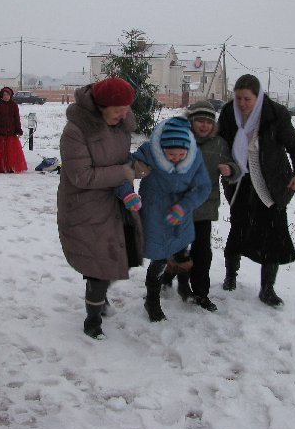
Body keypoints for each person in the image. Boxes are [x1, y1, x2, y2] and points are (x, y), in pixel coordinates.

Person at [57, 77, 144, 339]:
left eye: (127, 109)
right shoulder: (76, 131)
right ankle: (92, 320)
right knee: (99, 264)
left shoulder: (121, 125)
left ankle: (99, 295)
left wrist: (137, 168)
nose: (124, 114)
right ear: (101, 106)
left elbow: (122, 159)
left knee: (117, 257)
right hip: (85, 206)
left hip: (116, 201)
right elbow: (81, 176)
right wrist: (125, 172)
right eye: (118, 109)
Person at [217, 74, 295, 307]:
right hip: (239, 181)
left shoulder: (275, 113)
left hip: (272, 182)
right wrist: (224, 164)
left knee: (273, 236)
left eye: (247, 99)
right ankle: (230, 276)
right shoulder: (228, 112)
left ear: (258, 97)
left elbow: (294, 144)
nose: (242, 103)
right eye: (238, 98)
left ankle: (267, 289)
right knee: (238, 230)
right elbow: (220, 143)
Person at [128, 116, 211, 322]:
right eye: (171, 154)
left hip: (180, 215)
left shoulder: (195, 156)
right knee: (159, 258)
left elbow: (203, 187)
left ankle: (183, 287)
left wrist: (184, 206)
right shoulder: (149, 152)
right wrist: (128, 193)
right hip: (155, 215)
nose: (176, 158)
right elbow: (125, 171)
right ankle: (152, 301)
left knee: (182, 253)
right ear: (161, 148)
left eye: (181, 154)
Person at [162, 101, 240, 312]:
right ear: (191, 121)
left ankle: (200, 293)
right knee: (178, 249)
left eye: (208, 121)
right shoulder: (179, 139)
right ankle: (166, 277)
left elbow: (235, 166)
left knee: (202, 252)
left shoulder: (219, 144)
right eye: (200, 121)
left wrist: (230, 169)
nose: (204, 125)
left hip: (205, 205)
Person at [0, 87, 27, 173]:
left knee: (10, 152)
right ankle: (1, 167)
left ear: (10, 96)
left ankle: (10, 167)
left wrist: (18, 130)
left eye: (7, 95)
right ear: (1, 96)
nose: (6, 96)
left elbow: (17, 119)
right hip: (0, 132)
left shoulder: (14, 105)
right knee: (1, 152)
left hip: (11, 132)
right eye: (4, 95)